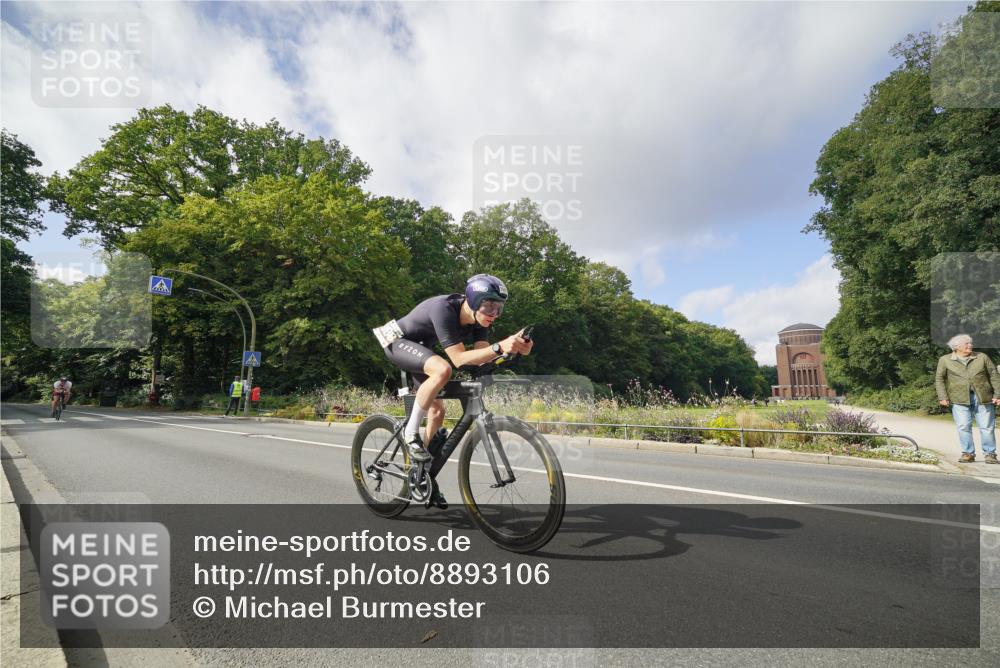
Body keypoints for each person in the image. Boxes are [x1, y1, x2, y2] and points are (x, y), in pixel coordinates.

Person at [374, 274, 533, 507]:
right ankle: (410, 434)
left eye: (498, 309)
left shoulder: (481, 323)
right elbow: (459, 359)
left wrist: (513, 351)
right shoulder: (444, 309)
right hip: (397, 341)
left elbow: (480, 358)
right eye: (489, 306)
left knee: (437, 412)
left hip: (422, 348)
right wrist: (500, 346)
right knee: (443, 369)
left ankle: (420, 474)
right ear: (473, 301)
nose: (494, 314)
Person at [935, 334, 1000, 464]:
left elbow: (994, 375)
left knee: (987, 427)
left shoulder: (982, 357)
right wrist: (942, 396)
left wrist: (998, 395)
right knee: (963, 426)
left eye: (970, 343)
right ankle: (968, 453)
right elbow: (939, 379)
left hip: (983, 396)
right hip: (959, 398)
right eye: (966, 344)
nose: (970, 345)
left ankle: (990, 454)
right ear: (956, 347)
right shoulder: (945, 360)